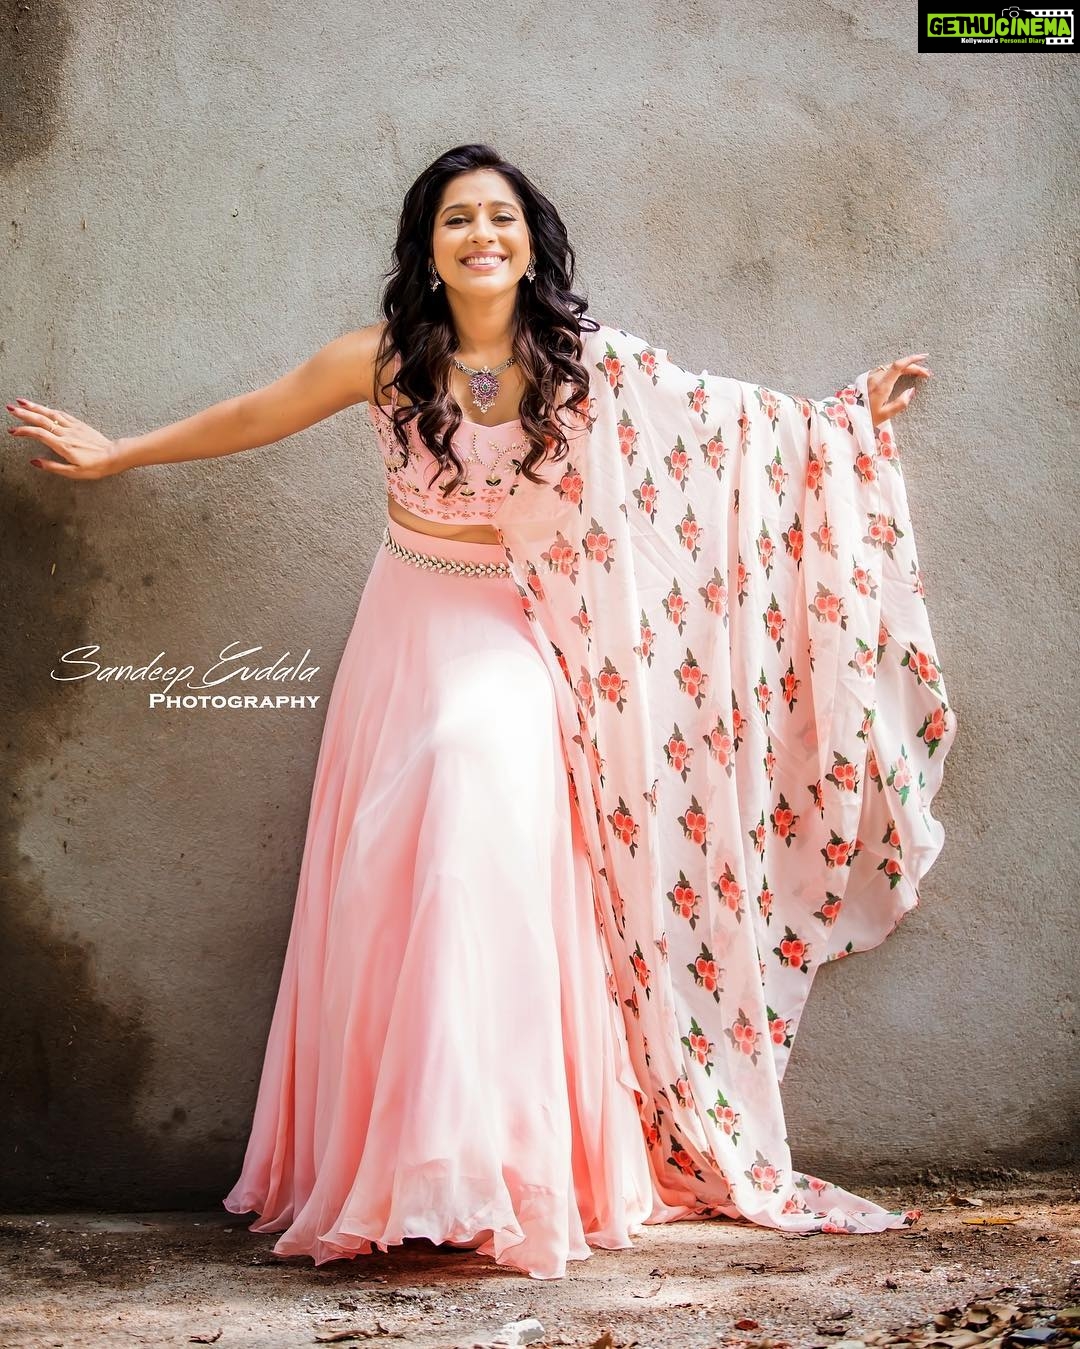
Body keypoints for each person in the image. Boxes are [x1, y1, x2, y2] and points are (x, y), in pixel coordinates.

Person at [6, 143, 955, 1281]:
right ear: (430, 246)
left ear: (530, 243)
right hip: (405, 622)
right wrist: (122, 454)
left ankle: (499, 1163)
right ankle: (413, 1168)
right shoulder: (380, 359)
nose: (481, 236)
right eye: (457, 219)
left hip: (519, 622)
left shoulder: (584, 363)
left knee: (475, 810)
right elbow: (257, 413)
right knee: (394, 868)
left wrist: (842, 422)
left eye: (500, 217)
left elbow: (727, 427)